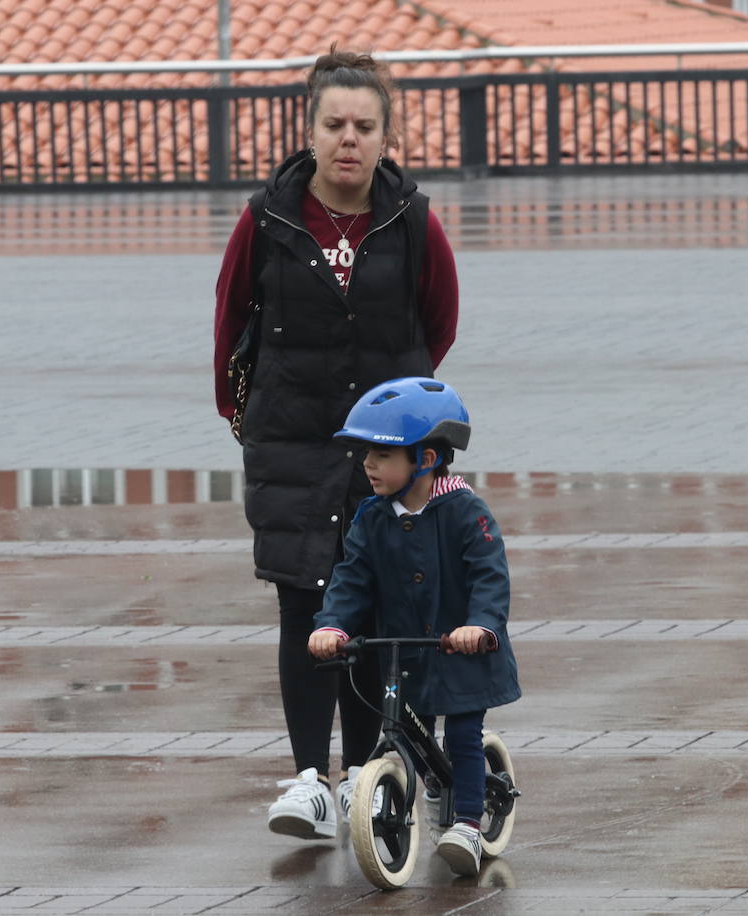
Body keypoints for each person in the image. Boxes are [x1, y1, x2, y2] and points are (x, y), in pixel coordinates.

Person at [213, 47, 460, 840]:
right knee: (303, 604)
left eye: (364, 126)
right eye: (334, 124)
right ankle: (308, 781)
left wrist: (399, 408)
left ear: (387, 136)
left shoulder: (414, 222)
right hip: (292, 439)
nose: (347, 139)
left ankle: (362, 776)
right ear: (310, 129)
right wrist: (247, 419)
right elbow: (229, 325)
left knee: (376, 608)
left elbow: (439, 322)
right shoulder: (267, 219)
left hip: (387, 450)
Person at [308, 377, 521, 877]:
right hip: (405, 652)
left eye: (382, 455)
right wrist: (333, 626)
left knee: (463, 735)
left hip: (464, 652)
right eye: (365, 455)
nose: (368, 465)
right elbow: (351, 577)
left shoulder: (465, 511)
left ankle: (469, 821)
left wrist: (480, 625)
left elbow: (491, 574)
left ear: (425, 460)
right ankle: (426, 790)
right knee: (406, 728)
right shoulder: (371, 516)